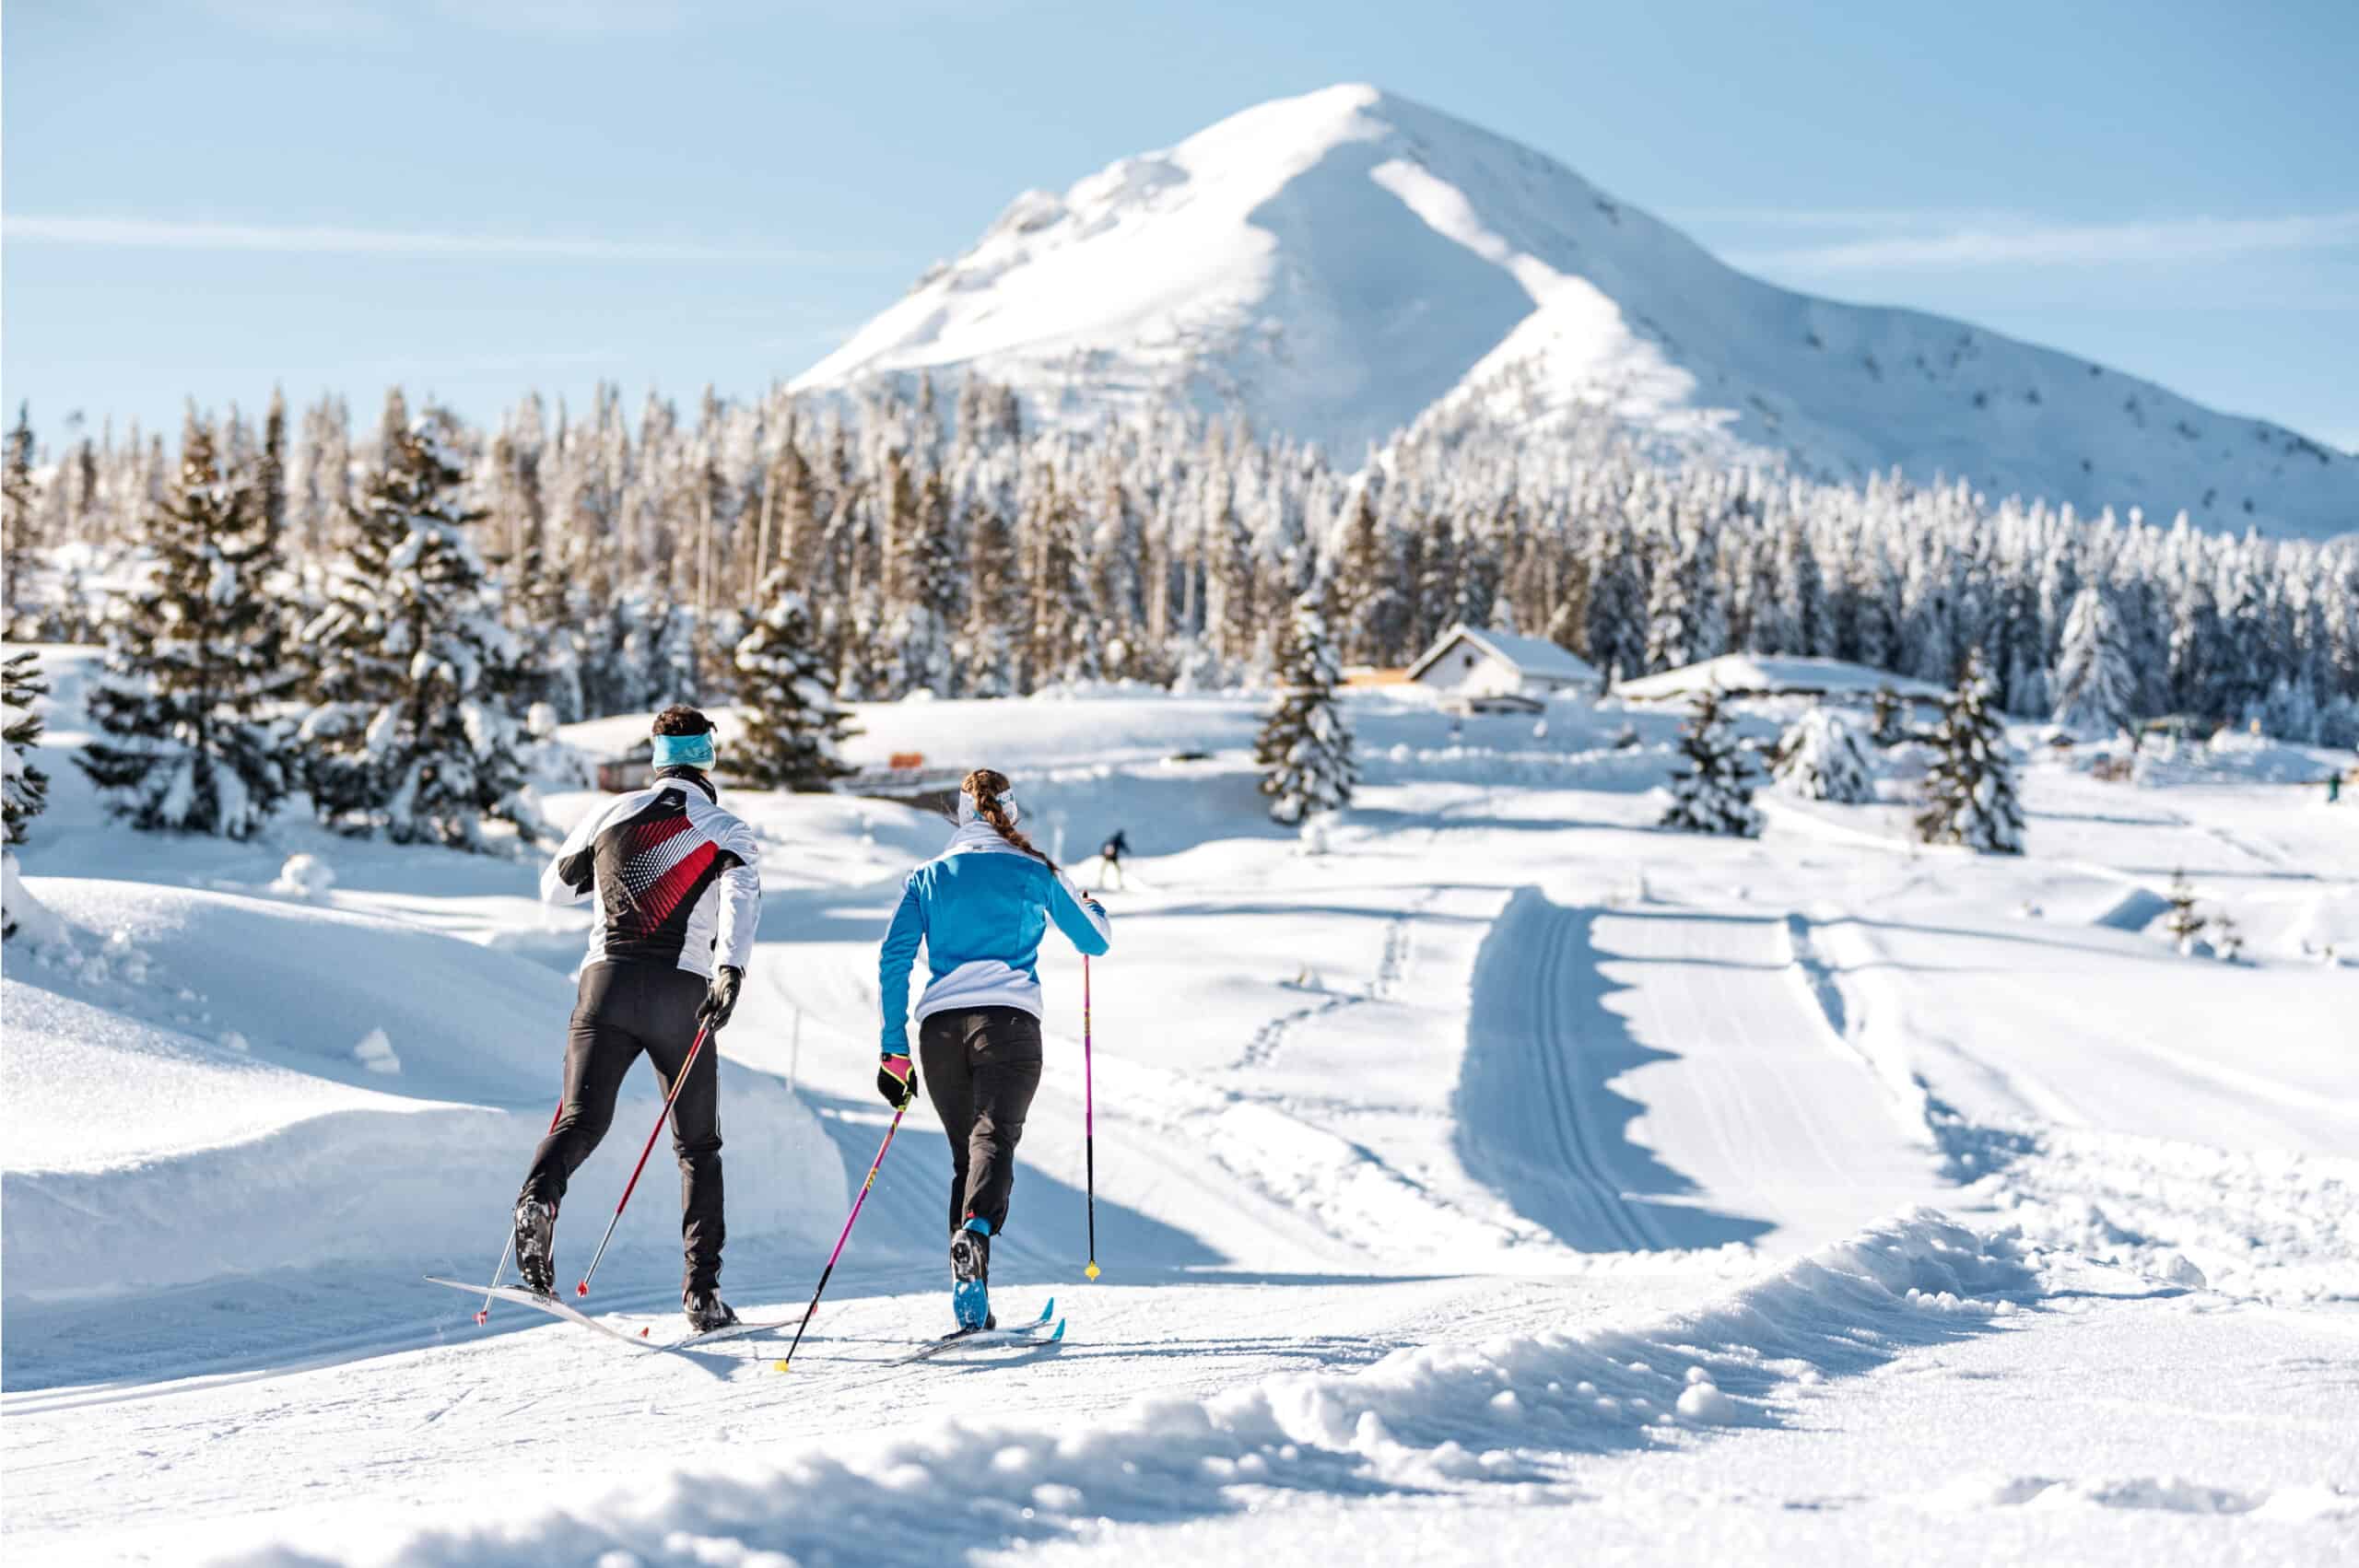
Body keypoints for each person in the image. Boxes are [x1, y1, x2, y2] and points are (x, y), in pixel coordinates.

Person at [512, 705, 762, 1331]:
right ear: (708, 755)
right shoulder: (724, 826)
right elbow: (741, 898)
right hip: (682, 992)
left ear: (656, 757)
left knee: (581, 1120)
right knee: (697, 1146)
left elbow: (553, 888)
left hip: (606, 985)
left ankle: (539, 1199)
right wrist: (729, 970)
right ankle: (701, 1293)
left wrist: (613, 877)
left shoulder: (609, 813)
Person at [877, 768, 1111, 1329]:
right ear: (1010, 812)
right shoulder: (1033, 869)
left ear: (960, 813)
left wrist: (894, 1050)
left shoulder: (927, 876)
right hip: (1006, 1024)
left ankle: (971, 1300)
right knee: (995, 1139)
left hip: (938, 1035)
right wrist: (1091, 904)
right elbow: (1094, 940)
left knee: (970, 1156)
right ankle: (976, 1233)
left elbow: (893, 959)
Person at [1097, 827, 1130, 892]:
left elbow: (1104, 845)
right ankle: (1120, 883)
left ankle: (1100, 882)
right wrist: (1128, 851)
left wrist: (1102, 853)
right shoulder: (1119, 840)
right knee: (1118, 870)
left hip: (1107, 857)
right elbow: (1124, 847)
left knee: (1103, 869)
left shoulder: (1111, 839)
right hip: (1114, 857)